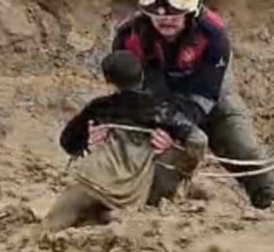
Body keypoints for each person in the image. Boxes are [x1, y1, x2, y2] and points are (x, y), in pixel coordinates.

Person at [110, 0, 274, 210]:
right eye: (155, 14)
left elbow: (205, 96)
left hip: (210, 91)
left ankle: (272, 206)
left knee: (244, 148)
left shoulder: (214, 35)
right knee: (164, 157)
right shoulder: (128, 38)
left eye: (175, 14)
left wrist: (181, 127)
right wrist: (158, 125)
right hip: (158, 97)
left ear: (192, 10)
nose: (166, 20)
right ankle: (149, 208)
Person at [41, 50, 208, 235]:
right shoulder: (161, 110)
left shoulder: (100, 107)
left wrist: (88, 141)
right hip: (129, 196)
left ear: (109, 82)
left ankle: (95, 217)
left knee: (48, 228)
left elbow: (68, 142)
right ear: (142, 75)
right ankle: (106, 216)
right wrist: (184, 163)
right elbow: (198, 140)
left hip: (90, 181)